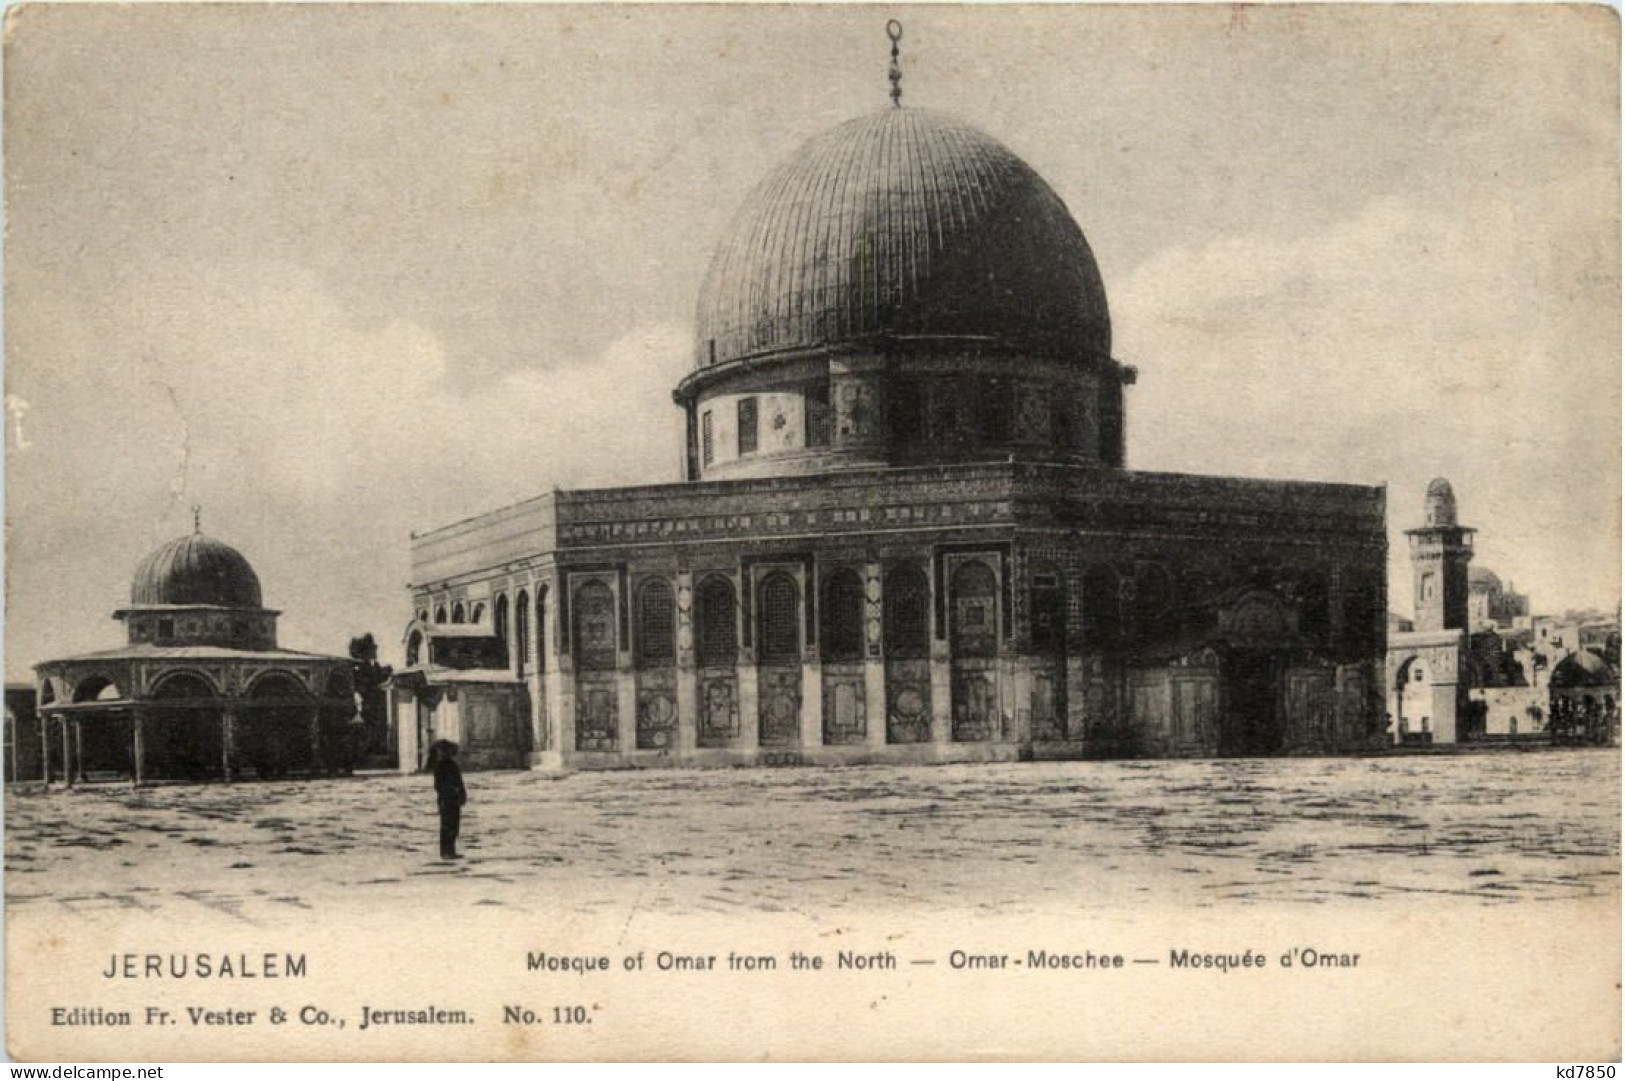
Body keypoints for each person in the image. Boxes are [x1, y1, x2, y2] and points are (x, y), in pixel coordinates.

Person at [429, 740, 468, 860]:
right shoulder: (440, 766)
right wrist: (451, 790)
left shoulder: (452, 765)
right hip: (446, 799)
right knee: (447, 826)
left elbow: (459, 782)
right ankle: (446, 851)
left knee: (454, 826)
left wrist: (462, 793)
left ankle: (450, 850)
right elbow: (438, 785)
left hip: (453, 799)